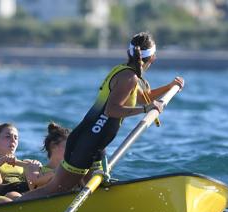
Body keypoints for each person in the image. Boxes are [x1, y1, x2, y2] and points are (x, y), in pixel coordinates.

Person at [17, 31, 184, 201]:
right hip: (87, 143)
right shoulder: (129, 77)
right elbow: (112, 110)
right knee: (55, 189)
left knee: (96, 193)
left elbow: (142, 98)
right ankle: (12, 208)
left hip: (97, 145)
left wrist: (169, 87)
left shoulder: (125, 72)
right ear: (153, 57)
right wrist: (144, 110)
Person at [0, 123, 43, 196]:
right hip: (6, 193)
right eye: (8, 136)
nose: (13, 140)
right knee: (14, 194)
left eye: (16, 138)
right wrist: (3, 160)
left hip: (25, 189)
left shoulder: (25, 162)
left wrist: (36, 168)